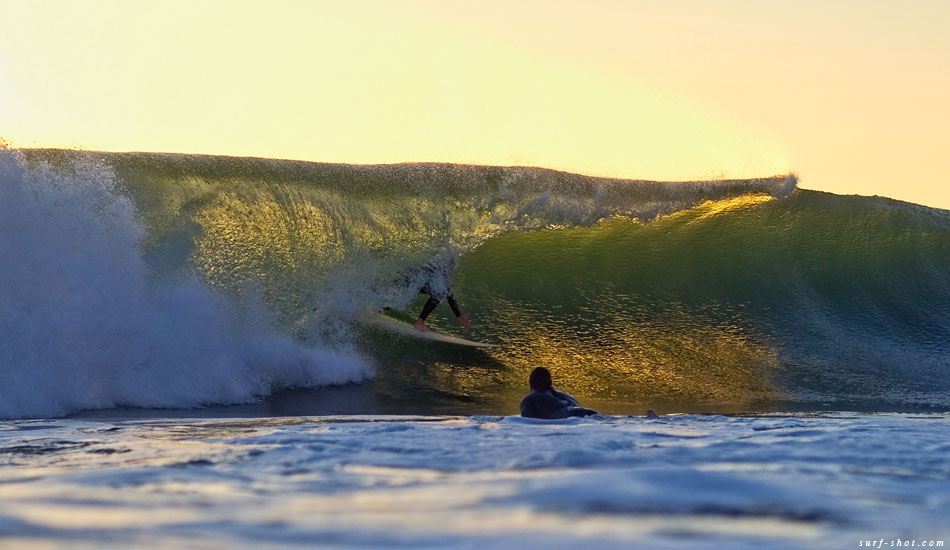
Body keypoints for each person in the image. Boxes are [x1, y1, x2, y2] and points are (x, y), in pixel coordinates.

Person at [413, 261, 471, 331]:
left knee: (441, 291)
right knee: (440, 293)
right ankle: (419, 323)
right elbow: (446, 291)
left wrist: (458, 315)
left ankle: (420, 323)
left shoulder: (436, 269)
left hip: (407, 280)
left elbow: (448, 292)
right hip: (408, 281)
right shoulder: (439, 270)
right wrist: (458, 315)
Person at [519, 367, 598, 419]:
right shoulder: (567, 396)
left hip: (567, 417)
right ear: (550, 382)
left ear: (531, 383)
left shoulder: (529, 399)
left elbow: (527, 423)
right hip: (589, 412)